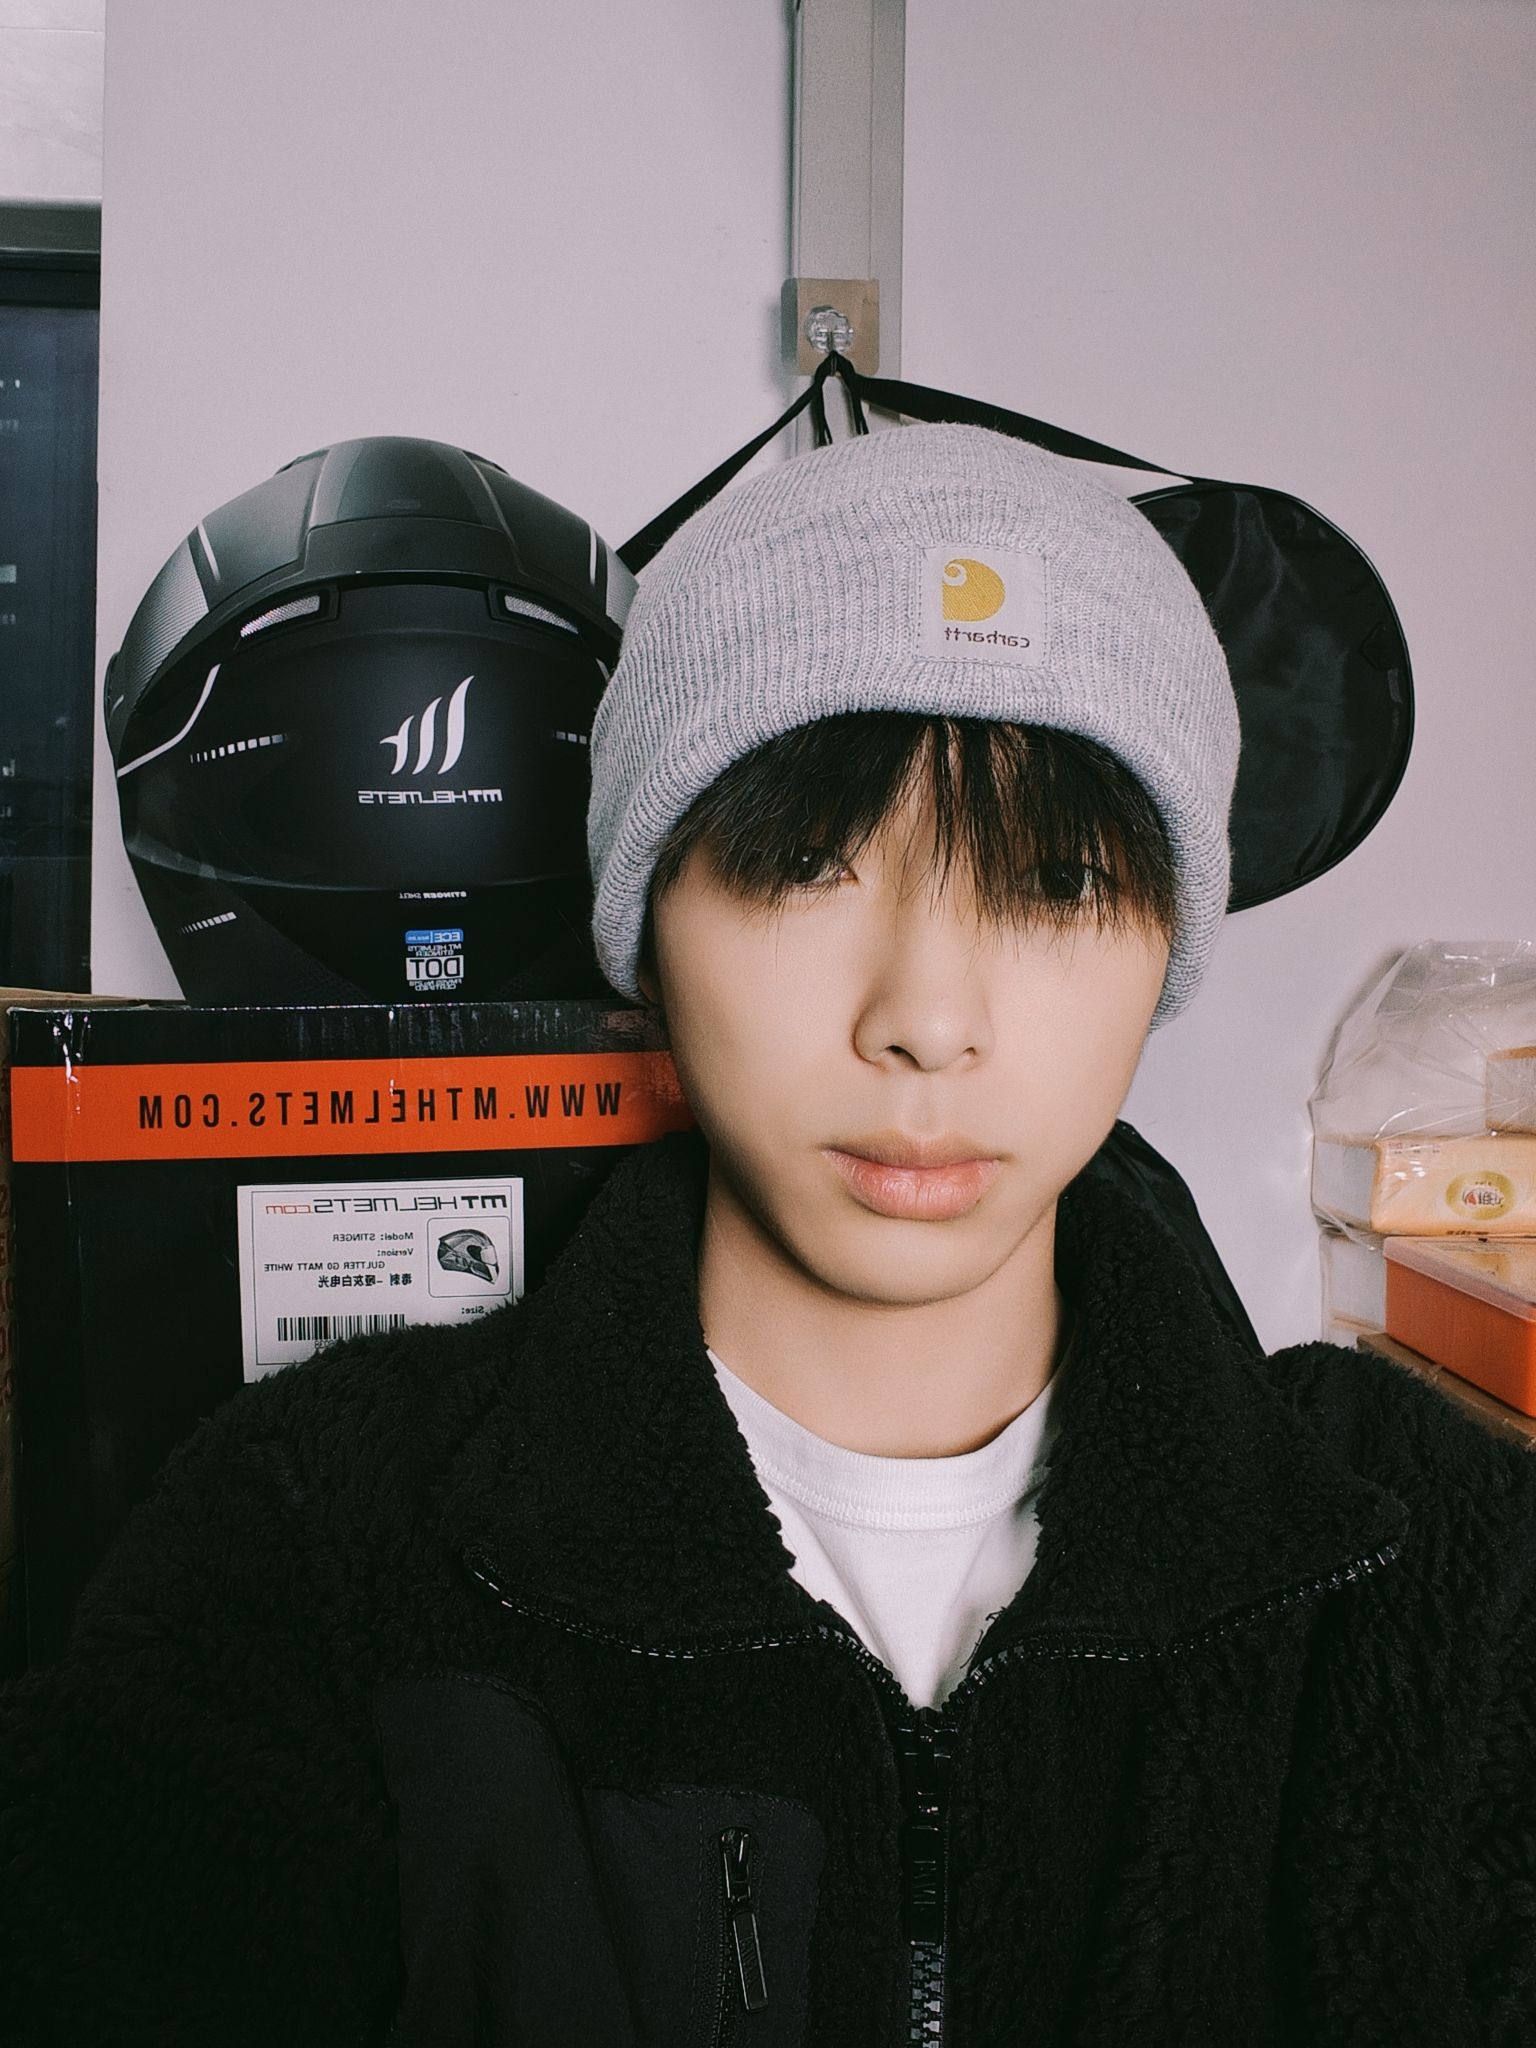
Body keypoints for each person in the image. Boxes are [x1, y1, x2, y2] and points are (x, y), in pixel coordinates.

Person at [2, 423, 1533, 2047]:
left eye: (1054, 881)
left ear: (1169, 947)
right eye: (805, 863)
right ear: (645, 921)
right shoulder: (315, 1536)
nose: (926, 1018)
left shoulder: (1438, 1564)